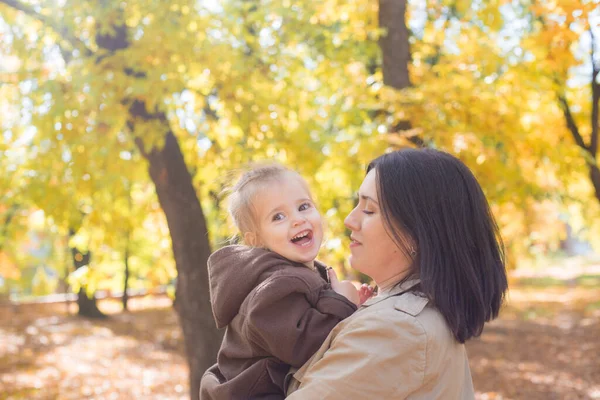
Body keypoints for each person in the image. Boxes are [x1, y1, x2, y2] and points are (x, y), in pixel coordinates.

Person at [286, 148, 508, 399]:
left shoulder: (396, 328)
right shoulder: (416, 315)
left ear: (417, 233)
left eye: (369, 210)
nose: (350, 220)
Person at [200, 164, 370, 400]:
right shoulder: (274, 285)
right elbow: (305, 345)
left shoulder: (297, 272)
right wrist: (341, 301)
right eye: (278, 217)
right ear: (256, 240)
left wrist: (353, 304)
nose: (298, 220)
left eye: (303, 206)